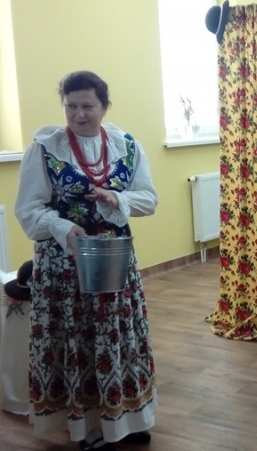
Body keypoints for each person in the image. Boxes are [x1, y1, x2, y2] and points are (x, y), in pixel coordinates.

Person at [14, 71, 158, 451]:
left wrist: (118, 199)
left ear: (104, 106)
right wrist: (62, 226)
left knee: (119, 338)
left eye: (87, 106)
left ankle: (129, 417)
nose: (79, 114)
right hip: (64, 267)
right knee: (79, 341)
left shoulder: (126, 145)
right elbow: (28, 209)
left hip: (115, 261)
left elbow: (148, 199)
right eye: (71, 106)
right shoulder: (45, 148)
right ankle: (90, 428)